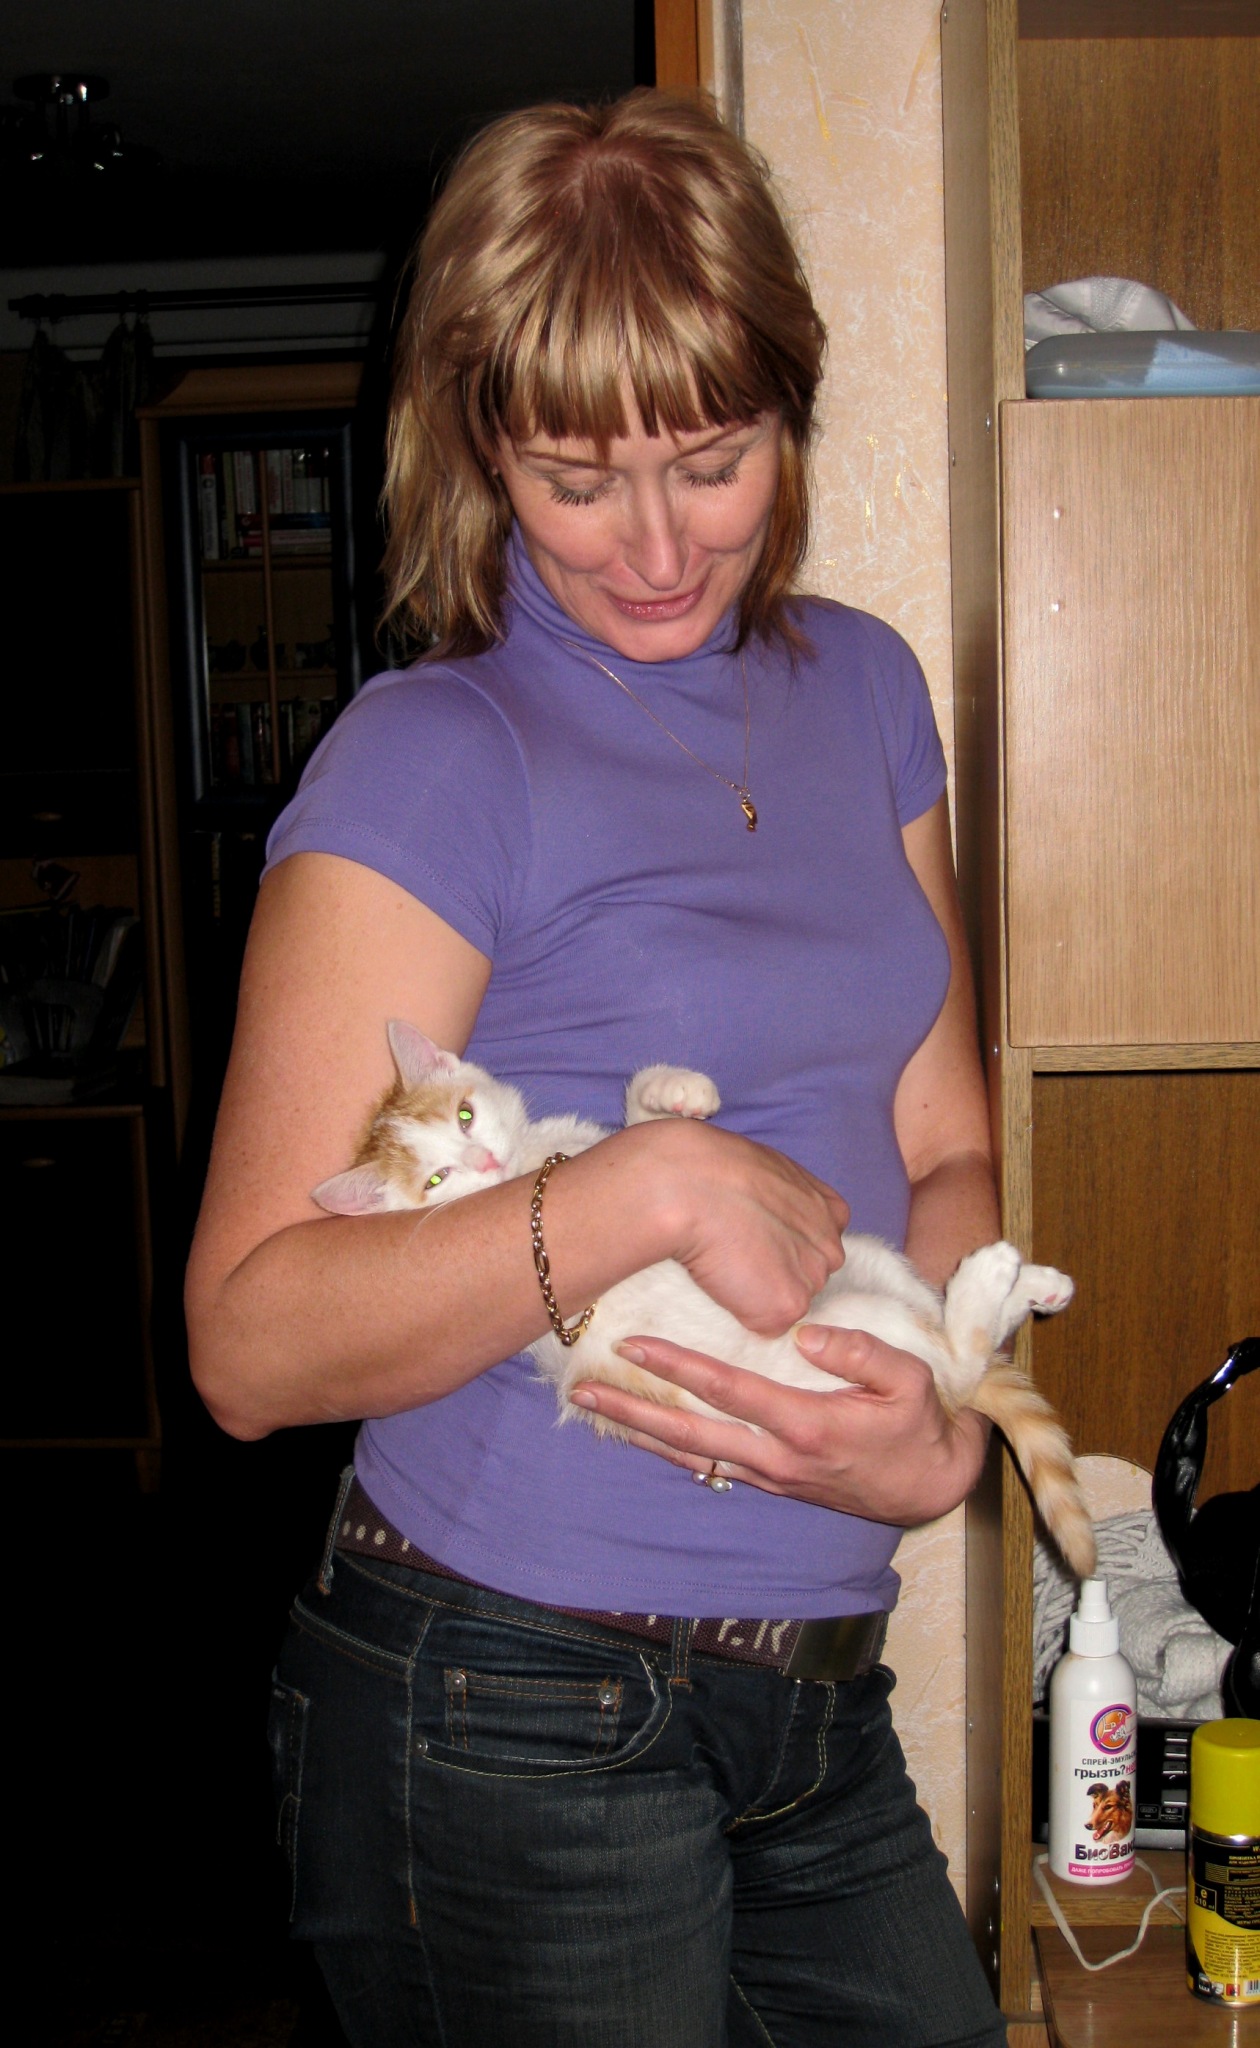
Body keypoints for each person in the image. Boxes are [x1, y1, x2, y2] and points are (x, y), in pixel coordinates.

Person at [186, 90, 1006, 2048]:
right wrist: (634, 1189)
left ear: (788, 409)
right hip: (505, 1695)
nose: (655, 547)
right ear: (483, 446)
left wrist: (945, 1406)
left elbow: (945, 1140)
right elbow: (247, 1342)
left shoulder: (870, 692)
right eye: (576, 479)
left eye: (713, 462)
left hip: (817, 1699)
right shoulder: (433, 760)